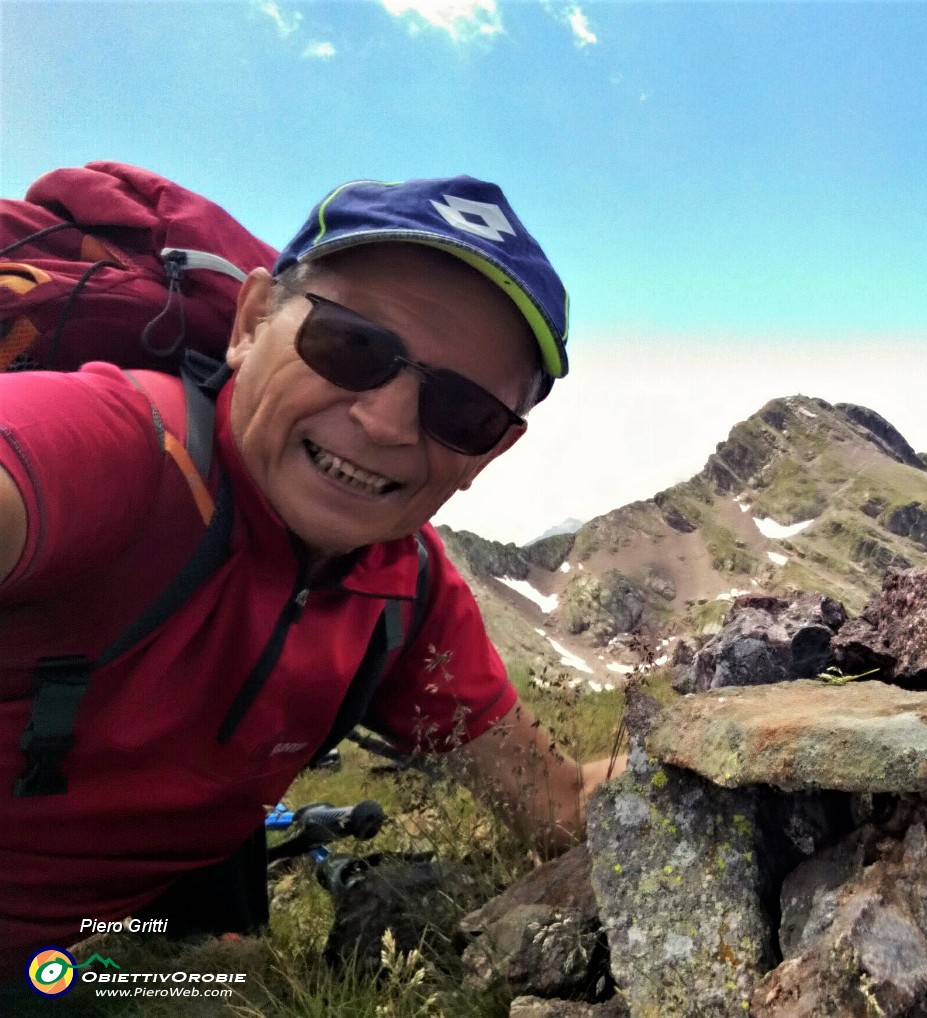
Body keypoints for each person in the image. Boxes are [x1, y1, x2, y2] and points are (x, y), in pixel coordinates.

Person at [0, 174, 615, 978]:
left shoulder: (410, 594)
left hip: (122, 954)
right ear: (253, 324)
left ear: (491, 451)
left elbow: (557, 806)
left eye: (460, 412)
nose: (385, 423)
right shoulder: (119, 450)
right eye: (352, 347)